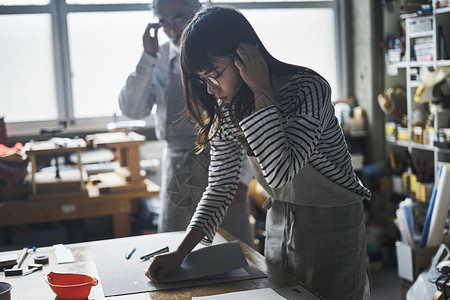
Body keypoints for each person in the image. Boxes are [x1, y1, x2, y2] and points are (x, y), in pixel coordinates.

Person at [146, 5, 372, 300]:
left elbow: (279, 172)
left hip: (333, 221)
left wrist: (261, 91)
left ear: (244, 56)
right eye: (203, 80)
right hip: (279, 217)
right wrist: (180, 251)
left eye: (214, 75)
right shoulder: (228, 106)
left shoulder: (308, 89)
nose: (211, 89)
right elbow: (220, 186)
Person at [119, 0, 253, 245]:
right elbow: (132, 109)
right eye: (163, 23)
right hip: (180, 170)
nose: (172, 30)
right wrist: (147, 57)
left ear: (199, 10)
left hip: (226, 161)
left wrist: (243, 177)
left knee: (232, 251)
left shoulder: (222, 54)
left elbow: (246, 116)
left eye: (179, 18)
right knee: (177, 245)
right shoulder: (157, 60)